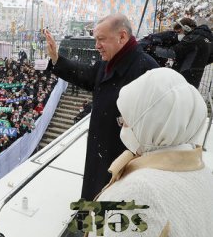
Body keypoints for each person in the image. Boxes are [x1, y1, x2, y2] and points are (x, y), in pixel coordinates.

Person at [85, 68, 213, 237]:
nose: (123, 126)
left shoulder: (139, 194)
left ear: (151, 122)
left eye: (127, 120)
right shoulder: (205, 173)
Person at [45, 13, 159, 201]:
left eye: (101, 39)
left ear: (122, 37)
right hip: (100, 153)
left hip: (123, 161)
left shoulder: (146, 69)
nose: (96, 45)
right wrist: (57, 58)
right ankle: (90, 226)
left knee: (112, 211)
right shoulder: (109, 63)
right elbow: (84, 74)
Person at [170, 17, 213, 88]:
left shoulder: (192, 39)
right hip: (194, 77)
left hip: (183, 77)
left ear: (187, 28)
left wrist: (155, 49)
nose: (178, 35)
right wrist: (199, 62)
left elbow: (172, 52)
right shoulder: (207, 38)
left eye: (179, 32)